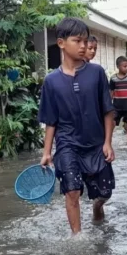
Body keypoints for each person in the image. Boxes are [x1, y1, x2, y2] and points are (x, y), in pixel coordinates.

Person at [38, 18, 115, 235]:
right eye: (77, 41)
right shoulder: (51, 81)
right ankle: (77, 238)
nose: (83, 46)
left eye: (85, 41)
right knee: (72, 191)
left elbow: (108, 111)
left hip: (96, 143)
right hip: (67, 144)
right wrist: (46, 152)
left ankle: (98, 207)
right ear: (61, 43)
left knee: (104, 193)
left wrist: (108, 143)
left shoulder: (97, 73)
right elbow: (50, 120)